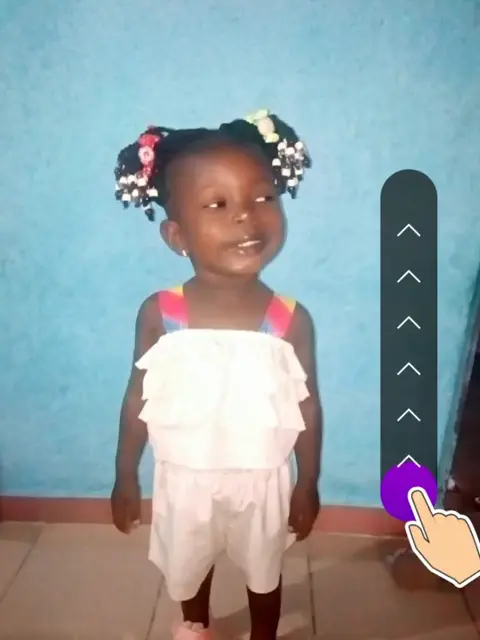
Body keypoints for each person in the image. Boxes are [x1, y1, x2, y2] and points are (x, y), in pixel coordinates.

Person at [110, 108, 323, 640]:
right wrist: (124, 474)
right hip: (185, 480)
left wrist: (307, 483)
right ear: (176, 235)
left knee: (263, 570)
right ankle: (195, 623)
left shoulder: (289, 320)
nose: (246, 217)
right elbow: (138, 398)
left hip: (262, 482)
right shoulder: (161, 313)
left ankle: (263, 634)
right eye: (217, 204)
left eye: (263, 198)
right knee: (189, 563)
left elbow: (307, 405)